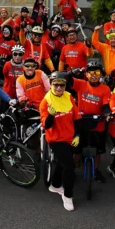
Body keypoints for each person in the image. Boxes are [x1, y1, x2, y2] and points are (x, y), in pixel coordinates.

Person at [40, 71, 82, 211]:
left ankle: (55, 185)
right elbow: (46, 125)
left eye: (62, 85)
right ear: (51, 85)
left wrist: (77, 135)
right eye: (56, 85)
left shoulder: (69, 97)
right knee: (69, 166)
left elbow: (76, 118)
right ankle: (68, 195)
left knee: (62, 162)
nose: (59, 88)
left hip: (70, 137)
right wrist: (51, 115)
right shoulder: (45, 102)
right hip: (56, 139)